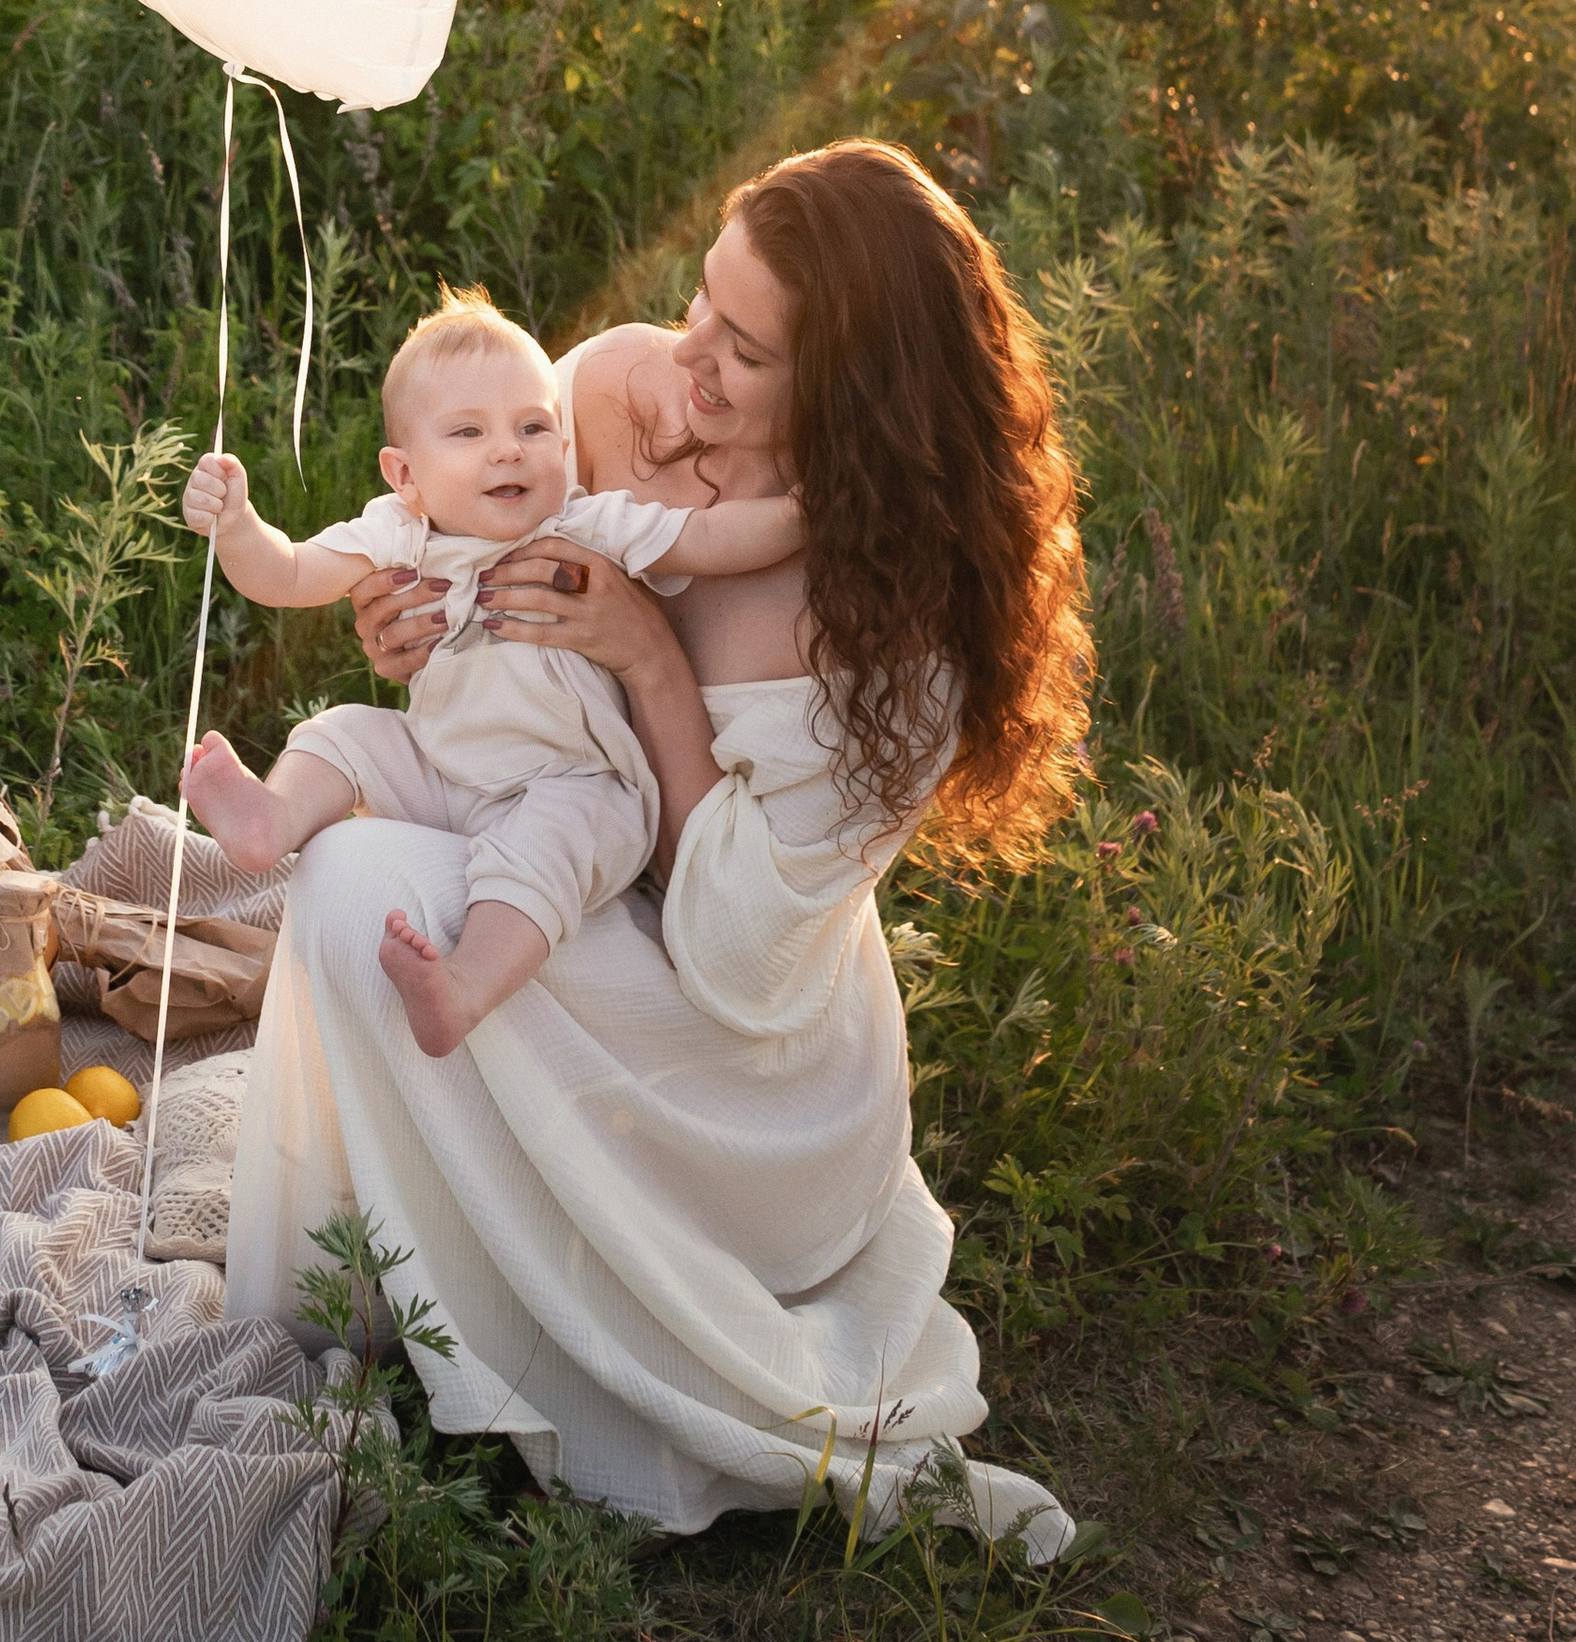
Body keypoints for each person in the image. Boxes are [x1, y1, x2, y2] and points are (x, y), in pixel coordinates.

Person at [223, 139, 1091, 1548]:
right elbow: (486, 547)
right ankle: (344, 1317)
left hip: (744, 1061)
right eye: (703, 300)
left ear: (851, 394)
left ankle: (522, 1366)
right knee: (346, 869)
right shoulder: (622, 389)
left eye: (744, 351)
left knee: (374, 891)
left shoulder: (893, 634)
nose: (688, 359)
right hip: (574, 865)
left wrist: (651, 661)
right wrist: (411, 630)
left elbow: (736, 957)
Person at [180, 285, 803, 1055]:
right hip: (442, 771)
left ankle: (467, 984)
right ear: (404, 474)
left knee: (551, 845)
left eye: (534, 427)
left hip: (571, 778)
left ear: (563, 447)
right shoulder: (399, 532)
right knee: (344, 732)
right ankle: (270, 819)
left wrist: (797, 516)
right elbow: (290, 574)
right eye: (469, 432)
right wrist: (237, 526)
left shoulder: (583, 520)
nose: (509, 449)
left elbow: (707, 540)